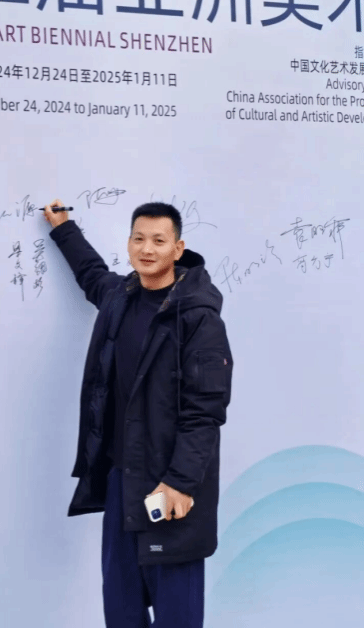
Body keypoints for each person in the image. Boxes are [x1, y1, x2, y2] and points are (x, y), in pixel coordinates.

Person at [43, 199, 233, 629]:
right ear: (129, 243)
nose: (147, 249)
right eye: (139, 239)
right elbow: (91, 274)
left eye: (159, 241)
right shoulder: (120, 298)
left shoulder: (198, 319)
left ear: (178, 249)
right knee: (121, 608)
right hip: (121, 479)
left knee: (177, 614)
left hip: (170, 485)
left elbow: (205, 411)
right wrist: (63, 227)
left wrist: (180, 482)